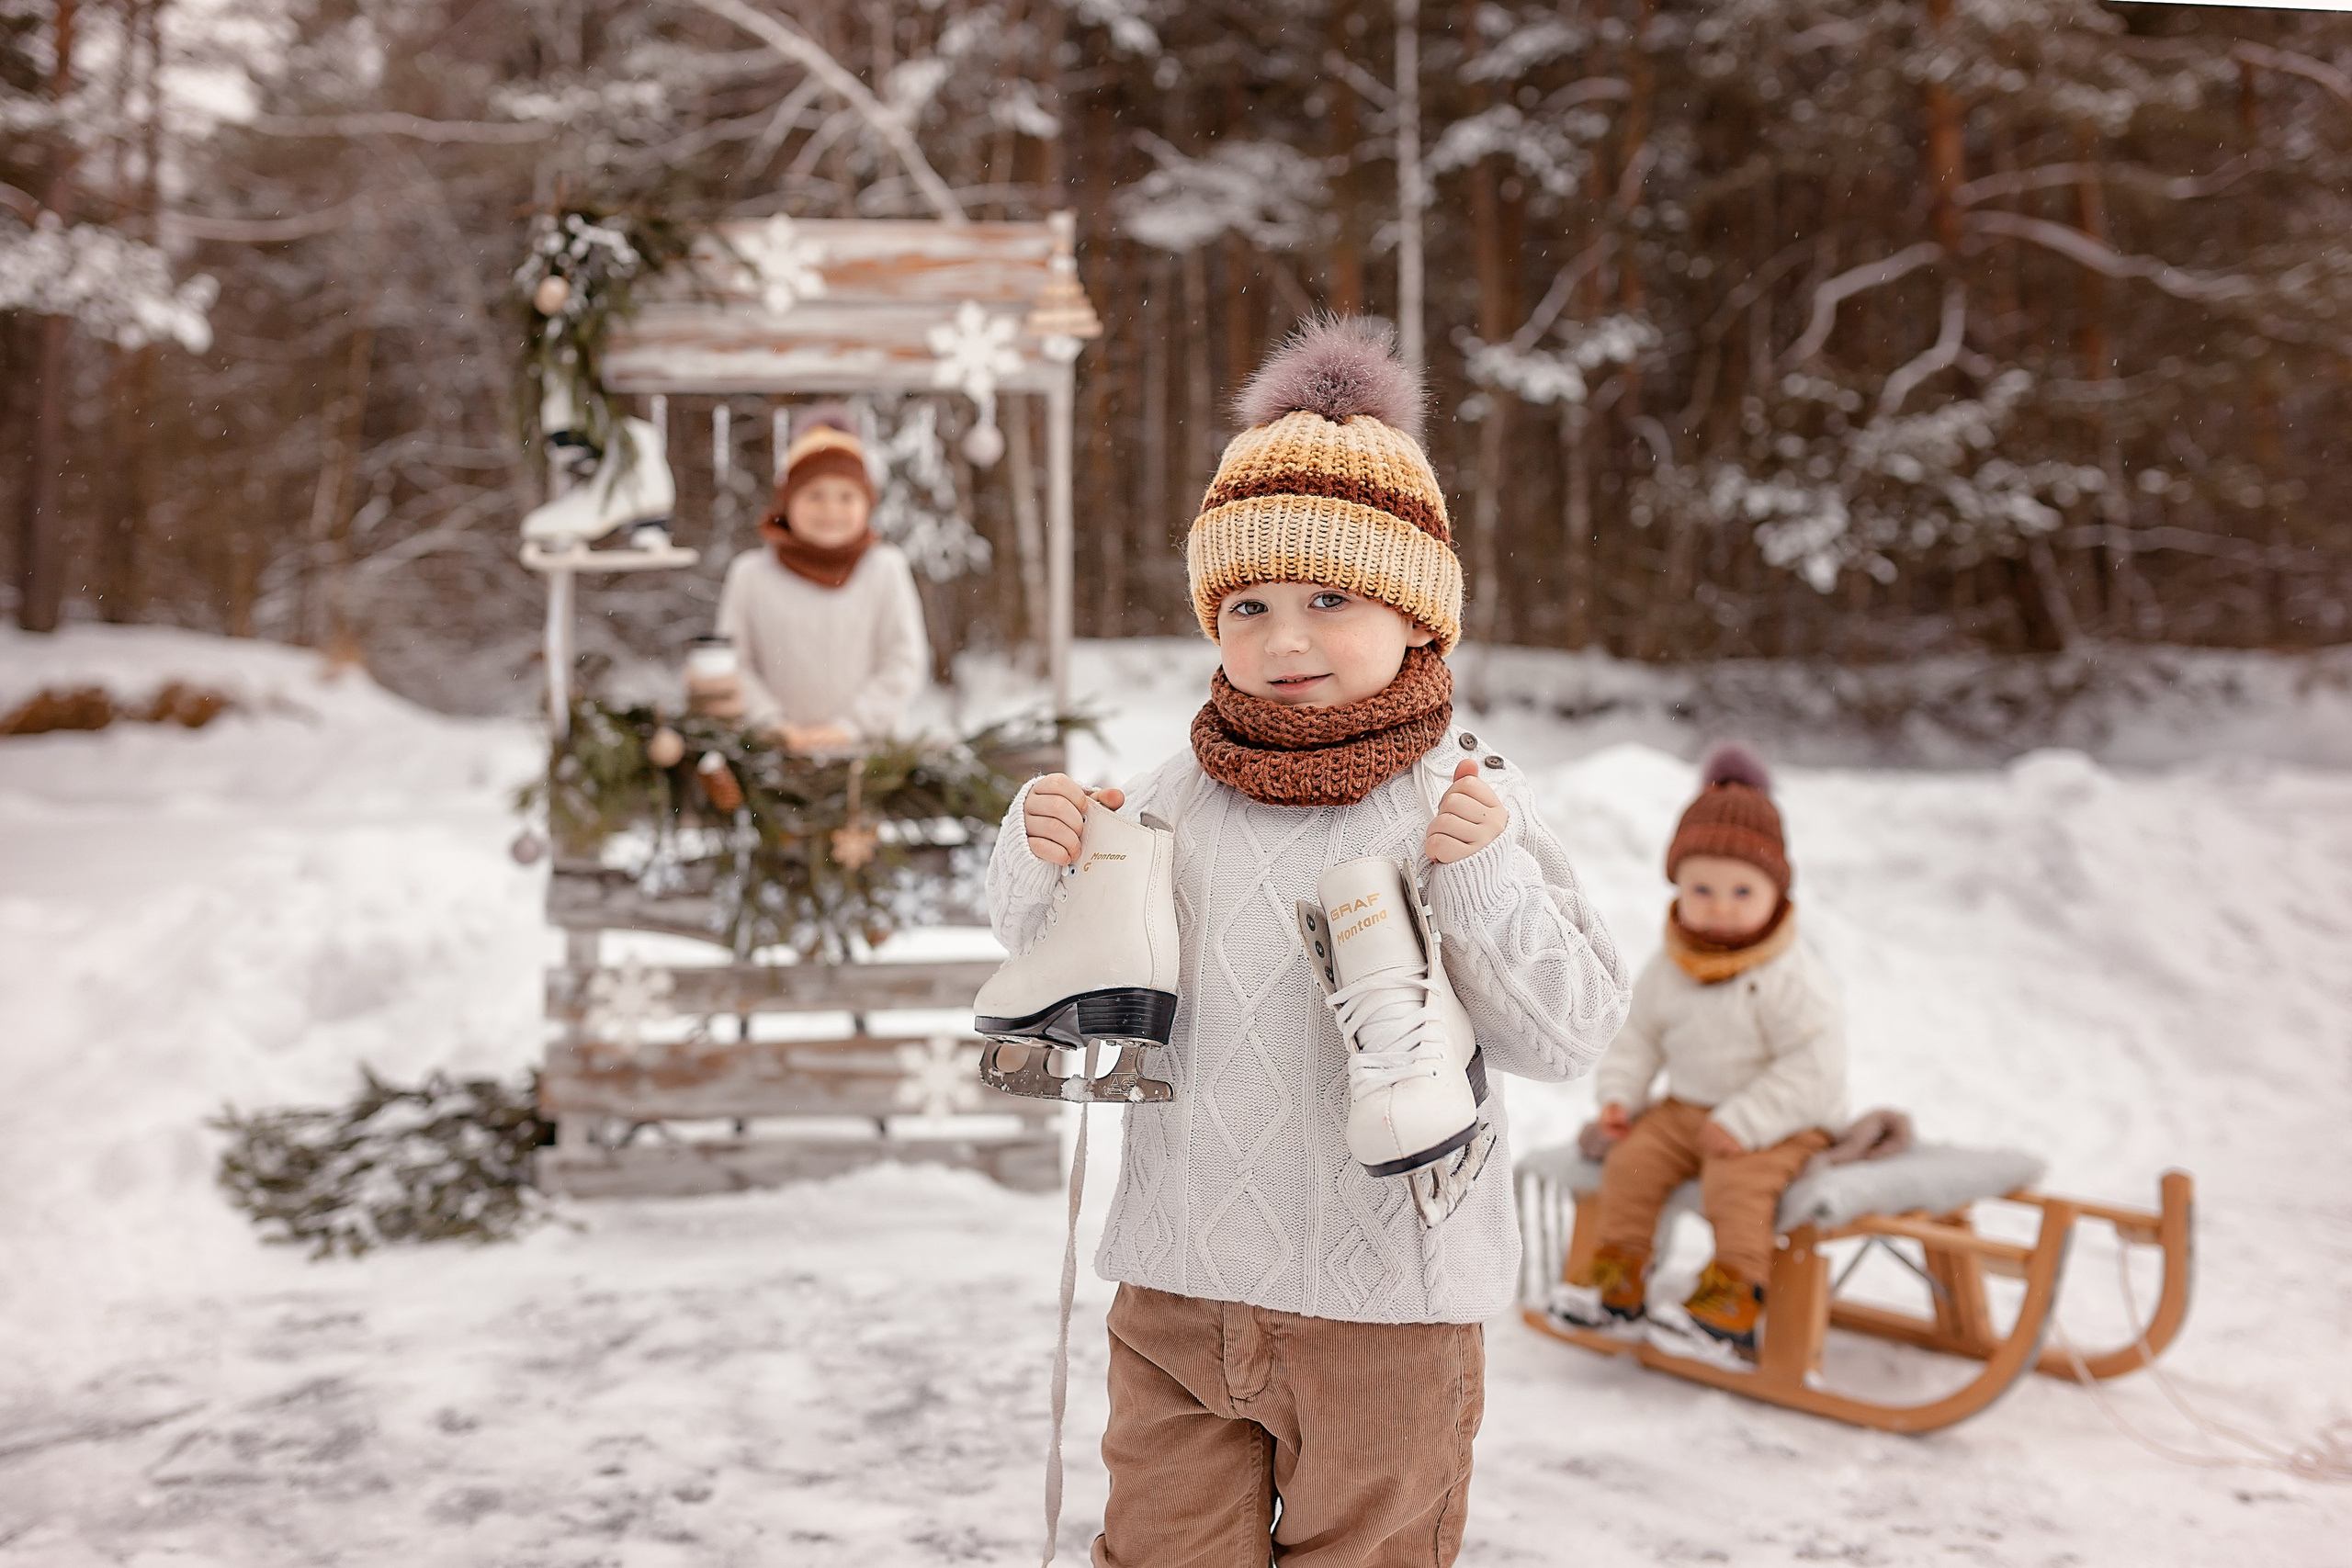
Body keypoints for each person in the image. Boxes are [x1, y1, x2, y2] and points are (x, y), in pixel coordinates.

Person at [985, 318, 1630, 1567]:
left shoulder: (1463, 791)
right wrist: (1042, 849)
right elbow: (1053, 955)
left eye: (1329, 598)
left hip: (1386, 1315)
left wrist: (1482, 873)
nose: (1283, 640)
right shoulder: (1176, 788)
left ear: (1415, 609)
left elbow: (1574, 1029)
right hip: (1176, 1291)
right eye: (1247, 603)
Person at [1561, 742, 1847, 1355]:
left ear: (1777, 894)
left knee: (1735, 1185)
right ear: (1678, 888)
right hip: (1689, 1109)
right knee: (1632, 1162)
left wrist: (1746, 1121)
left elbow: (1815, 1065)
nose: (1720, 906)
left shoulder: (1788, 974)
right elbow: (1637, 1036)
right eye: (1703, 889)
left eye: (1743, 892)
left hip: (1780, 1123)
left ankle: (1733, 1299)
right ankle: (1618, 1283)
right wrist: (1620, 1096)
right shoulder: (1671, 966)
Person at [688, 406, 929, 750]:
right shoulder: (751, 575)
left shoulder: (885, 569)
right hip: (770, 754)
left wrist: (849, 727)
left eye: (846, 496)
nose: (830, 509)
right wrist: (773, 725)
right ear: (787, 503)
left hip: (869, 756)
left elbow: (903, 663)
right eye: (814, 495)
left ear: (867, 504)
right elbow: (737, 664)